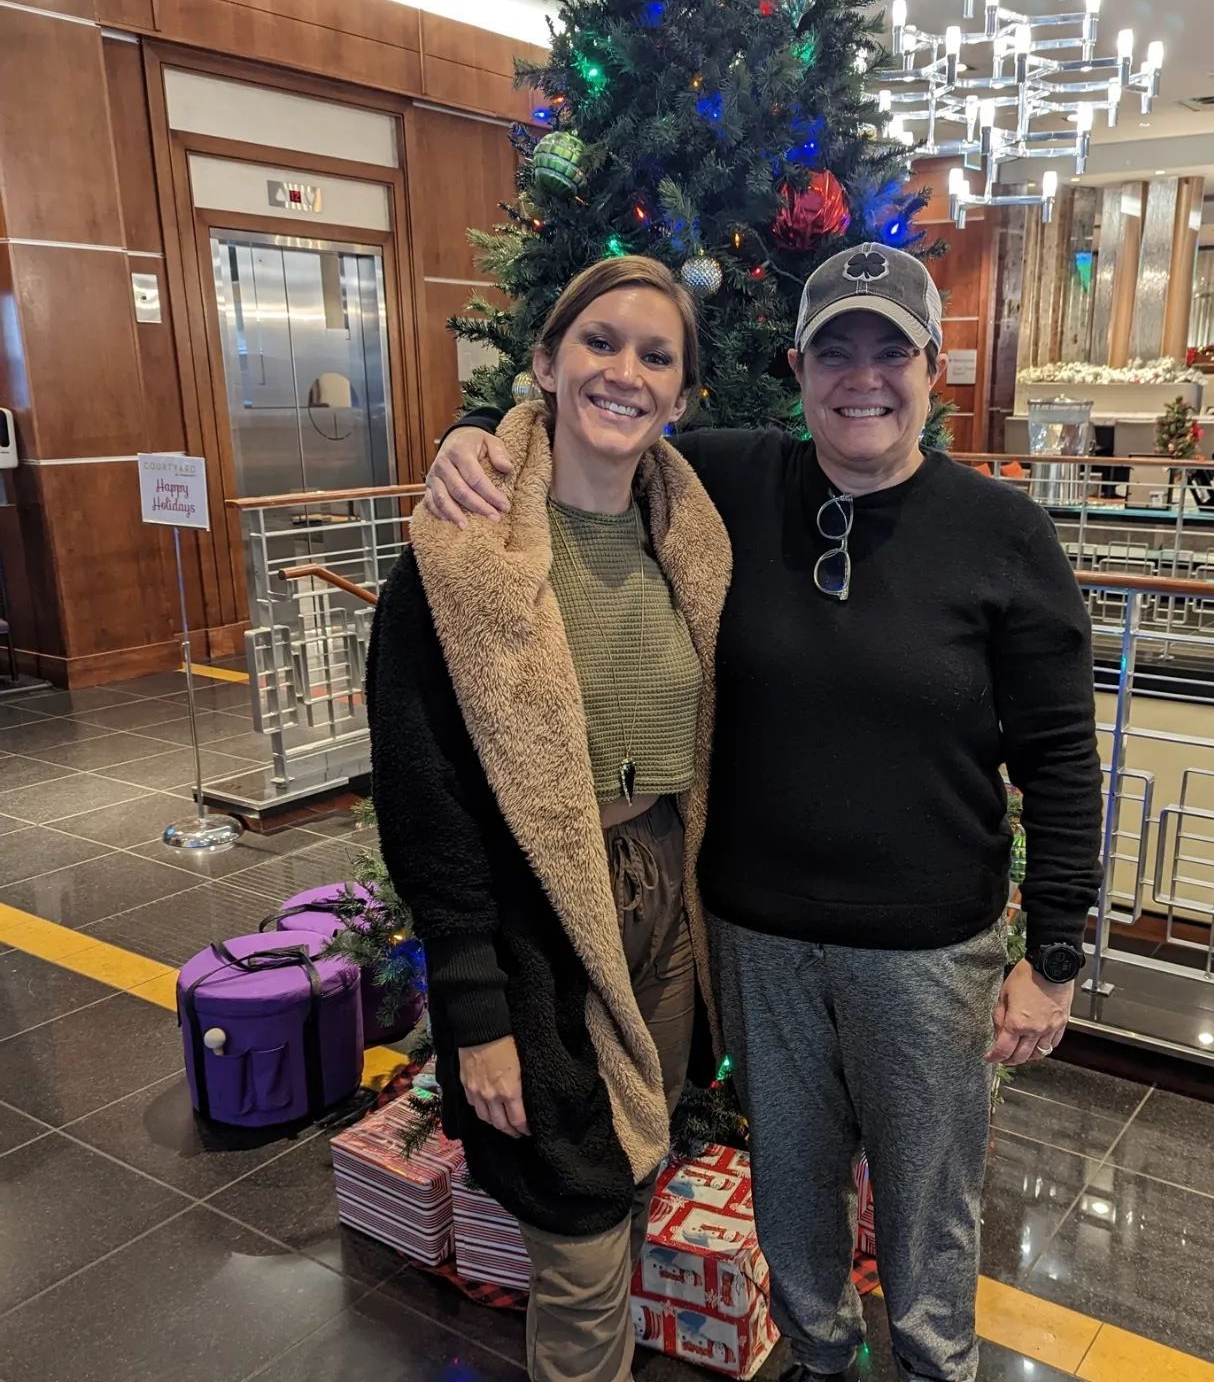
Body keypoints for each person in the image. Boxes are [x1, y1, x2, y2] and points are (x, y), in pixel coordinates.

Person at [427, 243, 1103, 1382]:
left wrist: (1058, 954)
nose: (863, 378)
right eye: (836, 351)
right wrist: (471, 438)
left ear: (933, 370)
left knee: (929, 1214)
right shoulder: (729, 483)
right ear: (797, 368)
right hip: (758, 941)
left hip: (927, 953)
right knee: (792, 1199)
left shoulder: (1002, 533)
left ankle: (935, 1369)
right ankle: (818, 1362)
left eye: (891, 352)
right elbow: (594, 426)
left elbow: (1062, 758)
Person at [369, 255, 732, 1382]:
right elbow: (423, 802)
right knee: (575, 1234)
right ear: (544, 362)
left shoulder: (694, 534)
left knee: (634, 1163)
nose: (626, 372)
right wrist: (475, 1012)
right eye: (599, 343)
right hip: (536, 919)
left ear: (681, 396)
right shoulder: (458, 555)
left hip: (664, 902)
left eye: (656, 356)